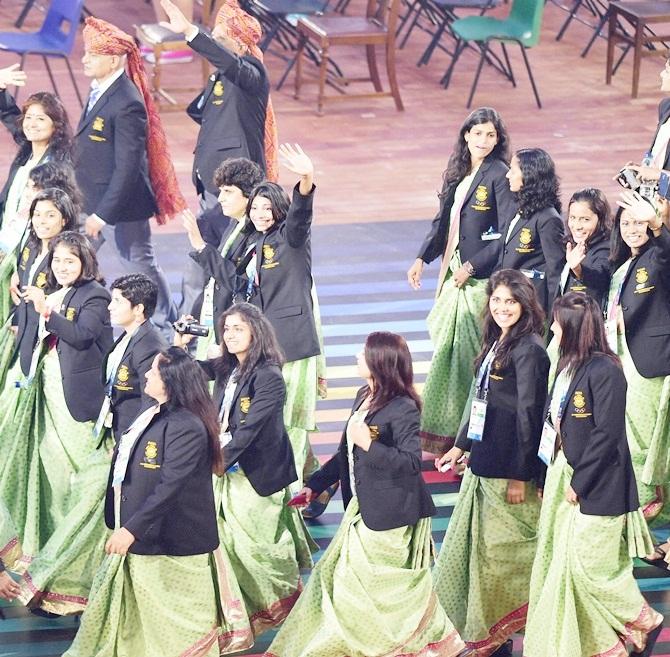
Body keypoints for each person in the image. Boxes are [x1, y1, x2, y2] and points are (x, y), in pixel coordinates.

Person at [265, 331, 468, 657]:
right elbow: (345, 453)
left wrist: (369, 445)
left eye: (363, 353)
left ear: (380, 361)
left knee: (367, 590)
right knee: (356, 589)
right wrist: (314, 486)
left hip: (388, 514)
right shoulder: (364, 395)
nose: (358, 357)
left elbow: (411, 463)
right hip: (360, 508)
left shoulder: (403, 408)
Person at [63, 347, 251, 657]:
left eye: (154, 372)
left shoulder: (187, 426)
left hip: (171, 542)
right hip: (146, 537)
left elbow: (170, 487)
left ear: (171, 381)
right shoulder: (156, 411)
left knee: (180, 630)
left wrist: (131, 530)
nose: (147, 375)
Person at [17, 274, 167, 614]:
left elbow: (151, 403)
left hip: (127, 446)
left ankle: (65, 588)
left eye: (117, 302)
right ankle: (70, 587)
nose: (109, 308)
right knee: (87, 512)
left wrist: (127, 446)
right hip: (111, 439)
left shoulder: (150, 346)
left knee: (88, 513)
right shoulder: (127, 338)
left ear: (139, 309)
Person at [524, 293, 663, 657]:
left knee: (592, 568)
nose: (552, 328)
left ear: (571, 328)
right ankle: (608, 640)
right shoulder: (568, 365)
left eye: (557, 322)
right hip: (570, 475)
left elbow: (608, 433)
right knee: (573, 562)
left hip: (602, 486)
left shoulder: (605, 370)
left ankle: (645, 620)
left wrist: (579, 481)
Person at [185, 144, 324, 484]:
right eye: (257, 208)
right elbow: (235, 282)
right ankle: (310, 481)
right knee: (269, 418)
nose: (261, 214)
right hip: (261, 347)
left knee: (287, 419)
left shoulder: (290, 239)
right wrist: (200, 246)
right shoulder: (256, 243)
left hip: (289, 345)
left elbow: (301, 216)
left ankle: (297, 488)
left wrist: (306, 178)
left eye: (267, 208)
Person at [176, 303, 316, 636]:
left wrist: (215, 461)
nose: (231, 335)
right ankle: (242, 610)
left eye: (238, 328)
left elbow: (250, 430)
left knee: (259, 548)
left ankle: (286, 603)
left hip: (256, 473)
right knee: (229, 544)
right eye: (226, 329)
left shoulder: (268, 376)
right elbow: (189, 372)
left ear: (256, 331)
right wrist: (179, 345)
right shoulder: (227, 367)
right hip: (227, 467)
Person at [433, 269, 549, 657]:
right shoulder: (498, 339)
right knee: (485, 560)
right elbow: (481, 400)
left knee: (504, 560)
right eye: (497, 301)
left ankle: (502, 636)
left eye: (510, 302)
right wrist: (461, 444)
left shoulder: (530, 349)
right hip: (484, 461)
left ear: (525, 304)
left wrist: (522, 475)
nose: (502, 308)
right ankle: (490, 637)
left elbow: (529, 415)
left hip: (507, 470)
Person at [0, 232, 113, 593]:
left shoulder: (95, 294)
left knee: (79, 472)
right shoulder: (49, 293)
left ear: (84, 263)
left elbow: (82, 336)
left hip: (77, 399)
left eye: (70, 261)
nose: (62, 267)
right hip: (46, 392)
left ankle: (83, 550)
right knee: (52, 468)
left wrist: (46, 310)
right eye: (58, 261)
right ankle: (55, 546)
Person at [406, 107, 517, 454]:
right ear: (466, 136)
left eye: (491, 135)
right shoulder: (457, 171)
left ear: (498, 140)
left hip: (477, 280)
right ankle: (446, 433)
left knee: (470, 355)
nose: (483, 140)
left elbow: (506, 234)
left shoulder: (499, 174)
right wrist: (422, 257)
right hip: (451, 272)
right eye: (477, 133)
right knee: (447, 352)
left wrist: (471, 267)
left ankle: (469, 440)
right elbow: (442, 221)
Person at [75, 17, 186, 332]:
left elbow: (127, 168)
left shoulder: (126, 102)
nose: (84, 59)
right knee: (72, 261)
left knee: (140, 267)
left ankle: (169, 322)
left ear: (112, 60)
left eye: (92, 54)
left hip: (120, 208)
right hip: (92, 200)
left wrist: (102, 215)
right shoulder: (99, 89)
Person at [160, 0, 277, 212]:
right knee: (210, 242)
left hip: (237, 185)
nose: (214, 42)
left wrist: (190, 31)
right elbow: (204, 110)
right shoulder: (221, 75)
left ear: (240, 46)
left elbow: (233, 65)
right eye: (213, 37)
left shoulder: (253, 72)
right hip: (209, 176)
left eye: (220, 39)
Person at [605, 190, 670, 529]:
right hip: (622, 361)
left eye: (639, 222)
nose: (633, 229)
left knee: (646, 440)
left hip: (649, 364)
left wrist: (658, 225)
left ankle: (649, 510)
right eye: (626, 222)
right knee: (628, 437)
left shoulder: (658, 256)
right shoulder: (624, 262)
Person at [186, 157, 264, 334]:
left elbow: (239, 283)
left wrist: (201, 247)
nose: (220, 198)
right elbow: (215, 284)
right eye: (220, 191)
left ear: (249, 195)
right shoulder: (234, 225)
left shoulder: (257, 233)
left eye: (228, 191)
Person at [0, 69, 73, 256]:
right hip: (7, 241)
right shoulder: (28, 150)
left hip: (30, 250)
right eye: (28, 118)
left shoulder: (58, 166)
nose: (31, 124)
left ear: (56, 126)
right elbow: (9, 114)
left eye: (40, 119)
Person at [496, 148, 565, 315]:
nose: (507, 175)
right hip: (511, 302)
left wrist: (556, 315)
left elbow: (555, 271)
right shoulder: (517, 208)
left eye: (513, 170)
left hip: (532, 307)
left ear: (529, 175)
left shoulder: (548, 218)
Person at [555, 188, 612, 308]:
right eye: (573, 218)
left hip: (588, 323)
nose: (577, 226)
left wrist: (578, 270)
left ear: (601, 220)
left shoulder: (606, 249)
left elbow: (599, 279)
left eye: (585, 219)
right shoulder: (573, 245)